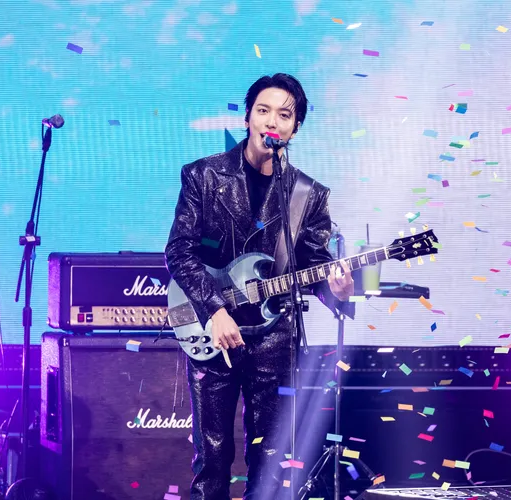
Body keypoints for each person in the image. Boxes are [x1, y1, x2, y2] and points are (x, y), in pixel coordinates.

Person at [165, 73, 354, 499]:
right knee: (212, 458)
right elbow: (179, 251)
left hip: (275, 337)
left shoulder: (308, 194)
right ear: (248, 117)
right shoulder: (203, 176)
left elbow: (314, 265)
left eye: (284, 115)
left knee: (270, 459)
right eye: (263, 110)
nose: (272, 121)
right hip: (214, 327)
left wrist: (337, 289)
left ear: (295, 128)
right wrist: (215, 310)